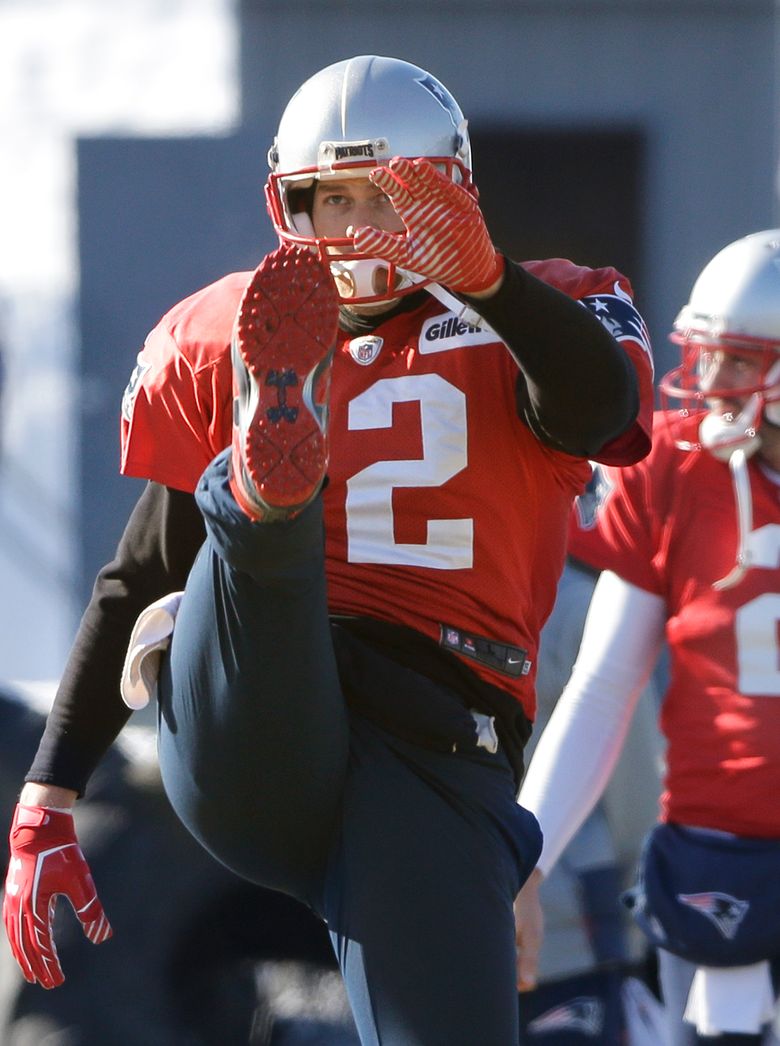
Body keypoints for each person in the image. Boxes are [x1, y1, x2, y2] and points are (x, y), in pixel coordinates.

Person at [3, 54, 653, 1045]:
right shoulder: (226, 328)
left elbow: (600, 406)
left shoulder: (549, 317)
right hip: (262, 718)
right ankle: (266, 487)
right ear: (284, 202)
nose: (348, 230)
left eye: (381, 200)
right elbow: (140, 565)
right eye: (325, 199)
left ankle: (264, 501)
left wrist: (487, 282)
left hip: (432, 750)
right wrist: (47, 796)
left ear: (453, 197)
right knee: (239, 551)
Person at [515, 228, 780, 1046]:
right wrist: (522, 858)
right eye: (704, 354)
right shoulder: (672, 471)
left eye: (737, 360)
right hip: (716, 855)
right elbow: (601, 689)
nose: (707, 382)